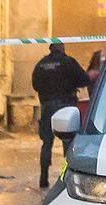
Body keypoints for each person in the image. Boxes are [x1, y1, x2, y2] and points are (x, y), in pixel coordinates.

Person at [30, 40, 90, 188]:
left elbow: (35, 84)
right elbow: (85, 79)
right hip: (65, 105)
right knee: (68, 143)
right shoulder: (68, 62)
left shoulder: (41, 64)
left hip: (47, 106)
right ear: (62, 48)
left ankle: (43, 177)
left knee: (46, 143)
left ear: (50, 49)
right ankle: (67, 179)